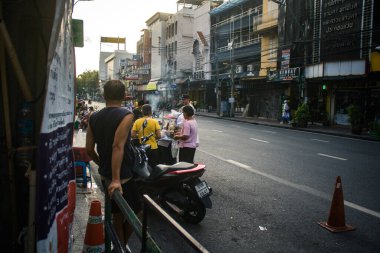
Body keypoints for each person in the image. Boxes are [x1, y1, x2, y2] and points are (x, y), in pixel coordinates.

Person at [85, 80, 141, 246]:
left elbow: (89, 149)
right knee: (137, 212)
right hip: (122, 175)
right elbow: (118, 145)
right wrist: (116, 179)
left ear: (104, 96)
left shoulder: (93, 117)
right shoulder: (126, 115)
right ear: (124, 96)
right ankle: (121, 246)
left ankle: (120, 246)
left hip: (105, 174)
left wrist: (102, 163)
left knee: (116, 214)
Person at [131, 104, 161, 169]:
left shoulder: (137, 121)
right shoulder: (154, 121)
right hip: (153, 148)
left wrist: (139, 135)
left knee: (142, 167)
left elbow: (132, 135)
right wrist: (153, 137)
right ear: (151, 112)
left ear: (142, 112)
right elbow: (159, 136)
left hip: (141, 149)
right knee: (153, 167)